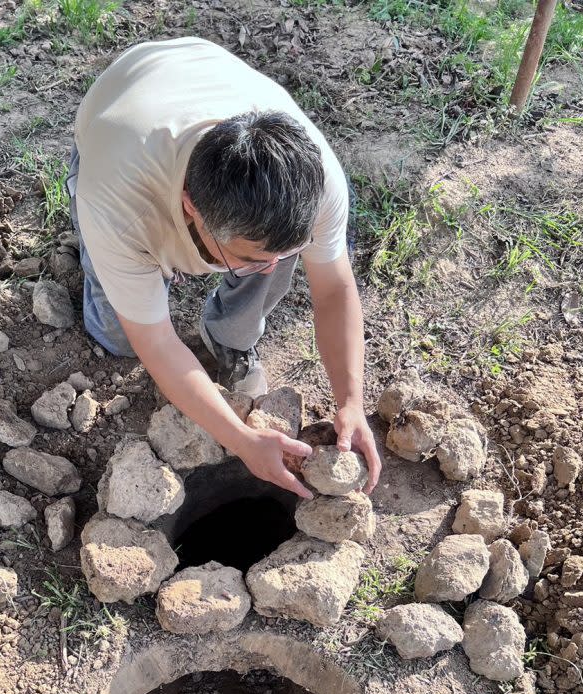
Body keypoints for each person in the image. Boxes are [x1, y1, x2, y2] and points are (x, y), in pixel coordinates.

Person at [69, 36, 381, 499]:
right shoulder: (119, 204)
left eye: (289, 252)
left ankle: (230, 335)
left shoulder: (314, 181)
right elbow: (155, 341)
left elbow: (334, 290)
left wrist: (351, 401)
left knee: (269, 253)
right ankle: (108, 272)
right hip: (121, 102)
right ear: (191, 206)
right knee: (119, 336)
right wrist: (240, 439)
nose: (274, 267)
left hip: (205, 72)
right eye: (251, 256)